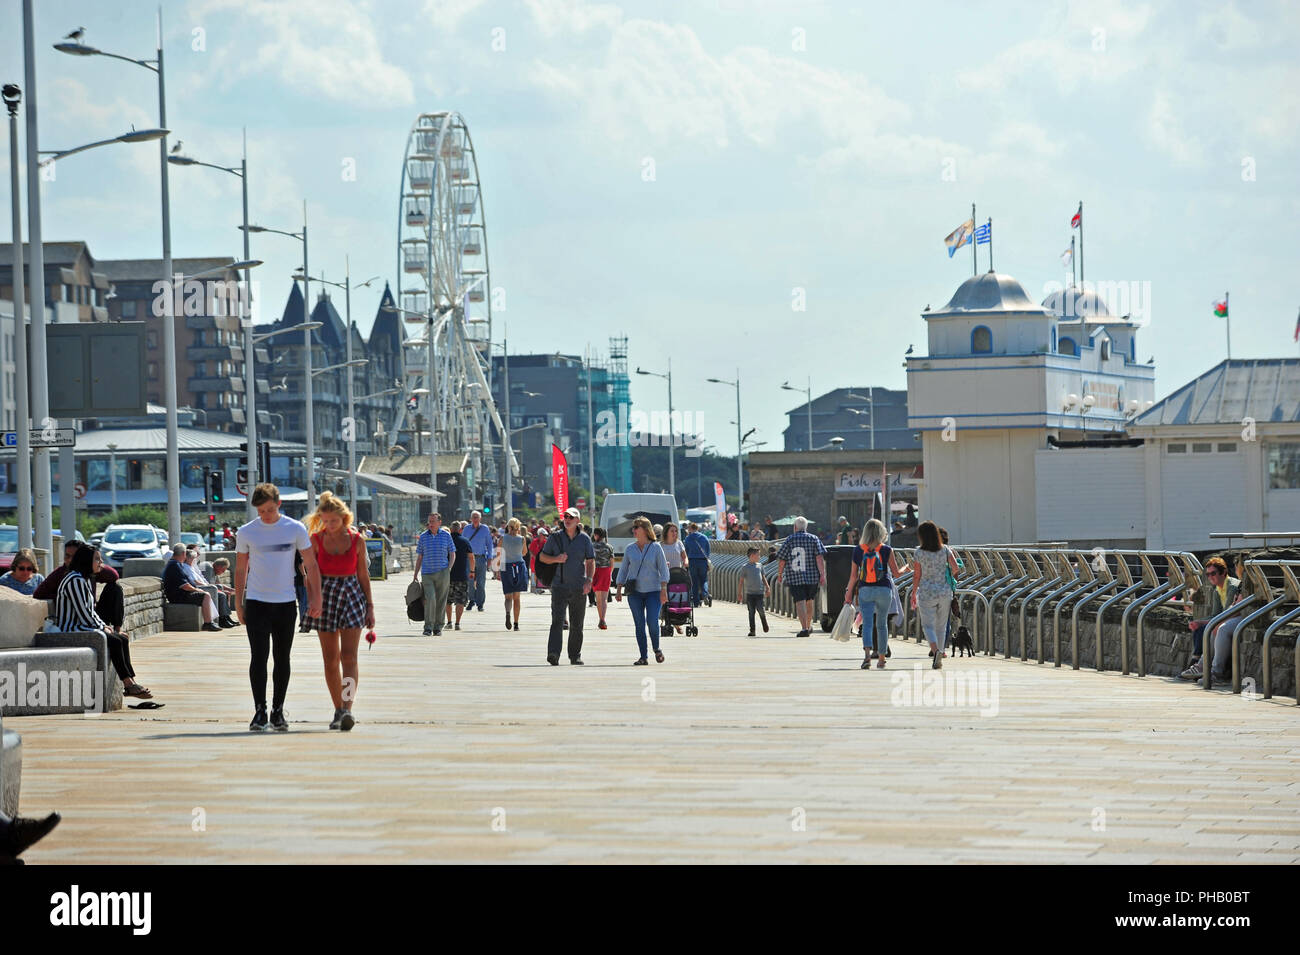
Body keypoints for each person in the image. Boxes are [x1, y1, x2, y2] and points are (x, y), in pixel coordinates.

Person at [235, 483, 322, 732]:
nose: (266, 516)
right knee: (258, 658)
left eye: (270, 510)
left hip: (285, 603)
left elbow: (311, 565)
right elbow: (241, 569)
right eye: (261, 511)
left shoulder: (294, 528)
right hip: (257, 603)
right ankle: (260, 711)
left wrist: (316, 599)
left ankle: (278, 710)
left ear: (279, 504)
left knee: (282, 658)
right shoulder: (247, 532)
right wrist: (238, 603)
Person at [304, 491, 374, 731]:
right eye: (325, 520)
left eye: (334, 520)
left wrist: (371, 607)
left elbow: (363, 576)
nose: (330, 525)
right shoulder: (316, 540)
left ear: (344, 518)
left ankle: (348, 707)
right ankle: (338, 709)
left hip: (352, 593)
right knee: (330, 659)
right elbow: (308, 574)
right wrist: (314, 599)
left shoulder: (357, 540)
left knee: (349, 657)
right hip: (325, 594)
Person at [55, 543, 153, 699]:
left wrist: (104, 626)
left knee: (120, 638)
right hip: (73, 630)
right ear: (87, 561)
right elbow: (84, 613)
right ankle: (128, 684)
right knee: (114, 640)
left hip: (83, 626)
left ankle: (130, 682)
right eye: (97, 560)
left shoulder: (84, 579)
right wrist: (103, 627)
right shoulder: (75, 580)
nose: (101, 563)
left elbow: (90, 611)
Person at [537, 507, 595, 665]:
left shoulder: (584, 539)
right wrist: (556, 559)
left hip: (578, 586)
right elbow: (542, 557)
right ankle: (554, 654)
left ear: (577, 520)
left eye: (571, 517)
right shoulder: (555, 538)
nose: (567, 519)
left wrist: (589, 580)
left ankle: (575, 655)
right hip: (559, 586)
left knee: (577, 624)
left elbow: (590, 561)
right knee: (557, 621)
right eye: (565, 516)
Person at [845, 519, 903, 669]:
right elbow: (896, 573)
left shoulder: (858, 550)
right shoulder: (886, 549)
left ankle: (867, 657)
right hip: (884, 589)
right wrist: (905, 568)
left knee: (868, 624)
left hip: (865, 590)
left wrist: (848, 593)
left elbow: (853, 576)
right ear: (881, 532)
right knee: (882, 624)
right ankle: (882, 659)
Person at [614, 516, 670, 665]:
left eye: (636, 527)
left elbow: (663, 569)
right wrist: (619, 589)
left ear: (645, 530)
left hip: (653, 591)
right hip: (635, 593)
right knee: (639, 624)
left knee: (652, 621)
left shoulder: (656, 547)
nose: (634, 530)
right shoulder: (630, 548)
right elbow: (623, 569)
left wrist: (664, 589)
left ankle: (657, 648)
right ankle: (643, 656)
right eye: (634, 528)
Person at [1180, 557, 1244, 683]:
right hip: (1229, 617)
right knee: (1202, 628)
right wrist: (1199, 622)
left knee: (1217, 628)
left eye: (1213, 573)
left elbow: (1229, 613)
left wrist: (1213, 623)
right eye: (1208, 574)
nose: (1210, 577)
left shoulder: (1232, 587)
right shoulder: (1217, 590)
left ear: (1224, 573)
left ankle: (1210, 669)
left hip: (1236, 617)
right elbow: (1216, 614)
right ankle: (1199, 665)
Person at [910, 520, 961, 669]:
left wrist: (913, 592)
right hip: (945, 592)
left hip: (926, 592)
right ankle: (941, 651)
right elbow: (956, 568)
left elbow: (917, 575)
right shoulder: (945, 550)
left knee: (928, 625)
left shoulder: (919, 552)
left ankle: (935, 651)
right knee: (941, 625)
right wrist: (945, 574)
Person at [776, 516, 827, 638]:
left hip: (794, 576)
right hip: (812, 576)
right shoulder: (814, 538)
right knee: (809, 601)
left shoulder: (789, 540)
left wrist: (779, 574)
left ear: (795, 527)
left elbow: (782, 559)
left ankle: (804, 628)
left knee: (800, 602)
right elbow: (819, 558)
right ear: (806, 527)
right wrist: (822, 574)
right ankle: (808, 626)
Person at [413, 511, 455, 637]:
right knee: (430, 599)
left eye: (433, 521)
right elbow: (420, 556)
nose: (430, 524)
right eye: (429, 521)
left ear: (439, 522)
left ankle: (438, 627)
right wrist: (415, 574)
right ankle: (428, 627)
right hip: (427, 573)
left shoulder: (446, 535)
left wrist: (449, 568)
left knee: (441, 600)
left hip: (443, 572)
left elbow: (452, 552)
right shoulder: (423, 536)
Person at [163, 544, 223, 632]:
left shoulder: (175, 564)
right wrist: (196, 589)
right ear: (183, 553)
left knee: (205, 594)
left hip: (180, 594)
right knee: (205, 595)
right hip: (179, 596)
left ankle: (211, 621)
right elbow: (184, 585)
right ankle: (208, 623)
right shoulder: (175, 566)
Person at [186, 546, 237, 628]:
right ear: (218, 567)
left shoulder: (212, 568)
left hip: (207, 587)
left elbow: (218, 584)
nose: (223, 572)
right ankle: (222, 619)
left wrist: (231, 589)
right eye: (223, 570)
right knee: (222, 595)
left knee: (225, 593)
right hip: (203, 588)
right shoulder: (208, 567)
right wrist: (224, 590)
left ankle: (226, 617)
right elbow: (208, 584)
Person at [461, 510, 494, 612]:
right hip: (469, 559)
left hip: (481, 558)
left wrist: (490, 558)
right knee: (470, 582)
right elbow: (463, 543)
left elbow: (489, 544)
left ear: (480, 519)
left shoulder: (485, 529)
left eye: (477, 517)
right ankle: (471, 600)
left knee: (480, 582)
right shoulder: (466, 529)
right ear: (471, 519)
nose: (475, 519)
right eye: (473, 517)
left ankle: (480, 604)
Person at [500, 518, 529, 631]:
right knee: (517, 598)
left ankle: (508, 612)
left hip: (506, 566)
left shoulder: (502, 538)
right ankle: (516, 623)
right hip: (518, 566)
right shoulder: (522, 539)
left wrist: (497, 571)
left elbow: (498, 554)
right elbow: (524, 552)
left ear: (509, 527)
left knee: (508, 597)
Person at [660, 522, 689, 634]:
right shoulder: (660, 545)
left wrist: (686, 562)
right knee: (667, 599)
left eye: (676, 531)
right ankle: (673, 623)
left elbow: (684, 557)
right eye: (672, 531)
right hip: (665, 576)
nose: (675, 533)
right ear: (666, 532)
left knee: (676, 598)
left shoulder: (679, 544)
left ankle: (677, 621)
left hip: (677, 575)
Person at [445, 521, 474, 631]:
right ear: (460, 530)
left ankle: (449, 622)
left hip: (448, 575)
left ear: (451, 529)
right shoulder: (465, 541)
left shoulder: (446, 540)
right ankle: (457, 623)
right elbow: (471, 557)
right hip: (462, 575)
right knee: (460, 601)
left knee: (447, 601)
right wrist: (472, 571)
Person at [738, 545, 771, 636]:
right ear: (752, 555)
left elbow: (763, 578)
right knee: (751, 612)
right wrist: (739, 593)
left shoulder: (760, 566)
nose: (759, 557)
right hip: (750, 594)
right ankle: (752, 630)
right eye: (758, 555)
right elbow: (741, 581)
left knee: (761, 609)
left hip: (760, 592)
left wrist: (767, 587)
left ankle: (764, 623)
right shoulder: (745, 567)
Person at [683, 521, 712, 607]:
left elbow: (686, 551)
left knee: (694, 582)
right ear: (697, 528)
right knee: (704, 579)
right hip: (702, 561)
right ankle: (705, 594)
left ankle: (696, 601)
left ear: (691, 529)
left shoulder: (688, 539)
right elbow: (708, 549)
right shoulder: (704, 537)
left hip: (692, 561)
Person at [591, 526, 614, 630]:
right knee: (604, 599)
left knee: (598, 598)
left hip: (595, 571)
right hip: (605, 571)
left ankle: (600, 618)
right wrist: (610, 573)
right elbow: (612, 562)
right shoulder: (609, 547)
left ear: (597, 535)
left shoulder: (591, 546)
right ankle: (602, 619)